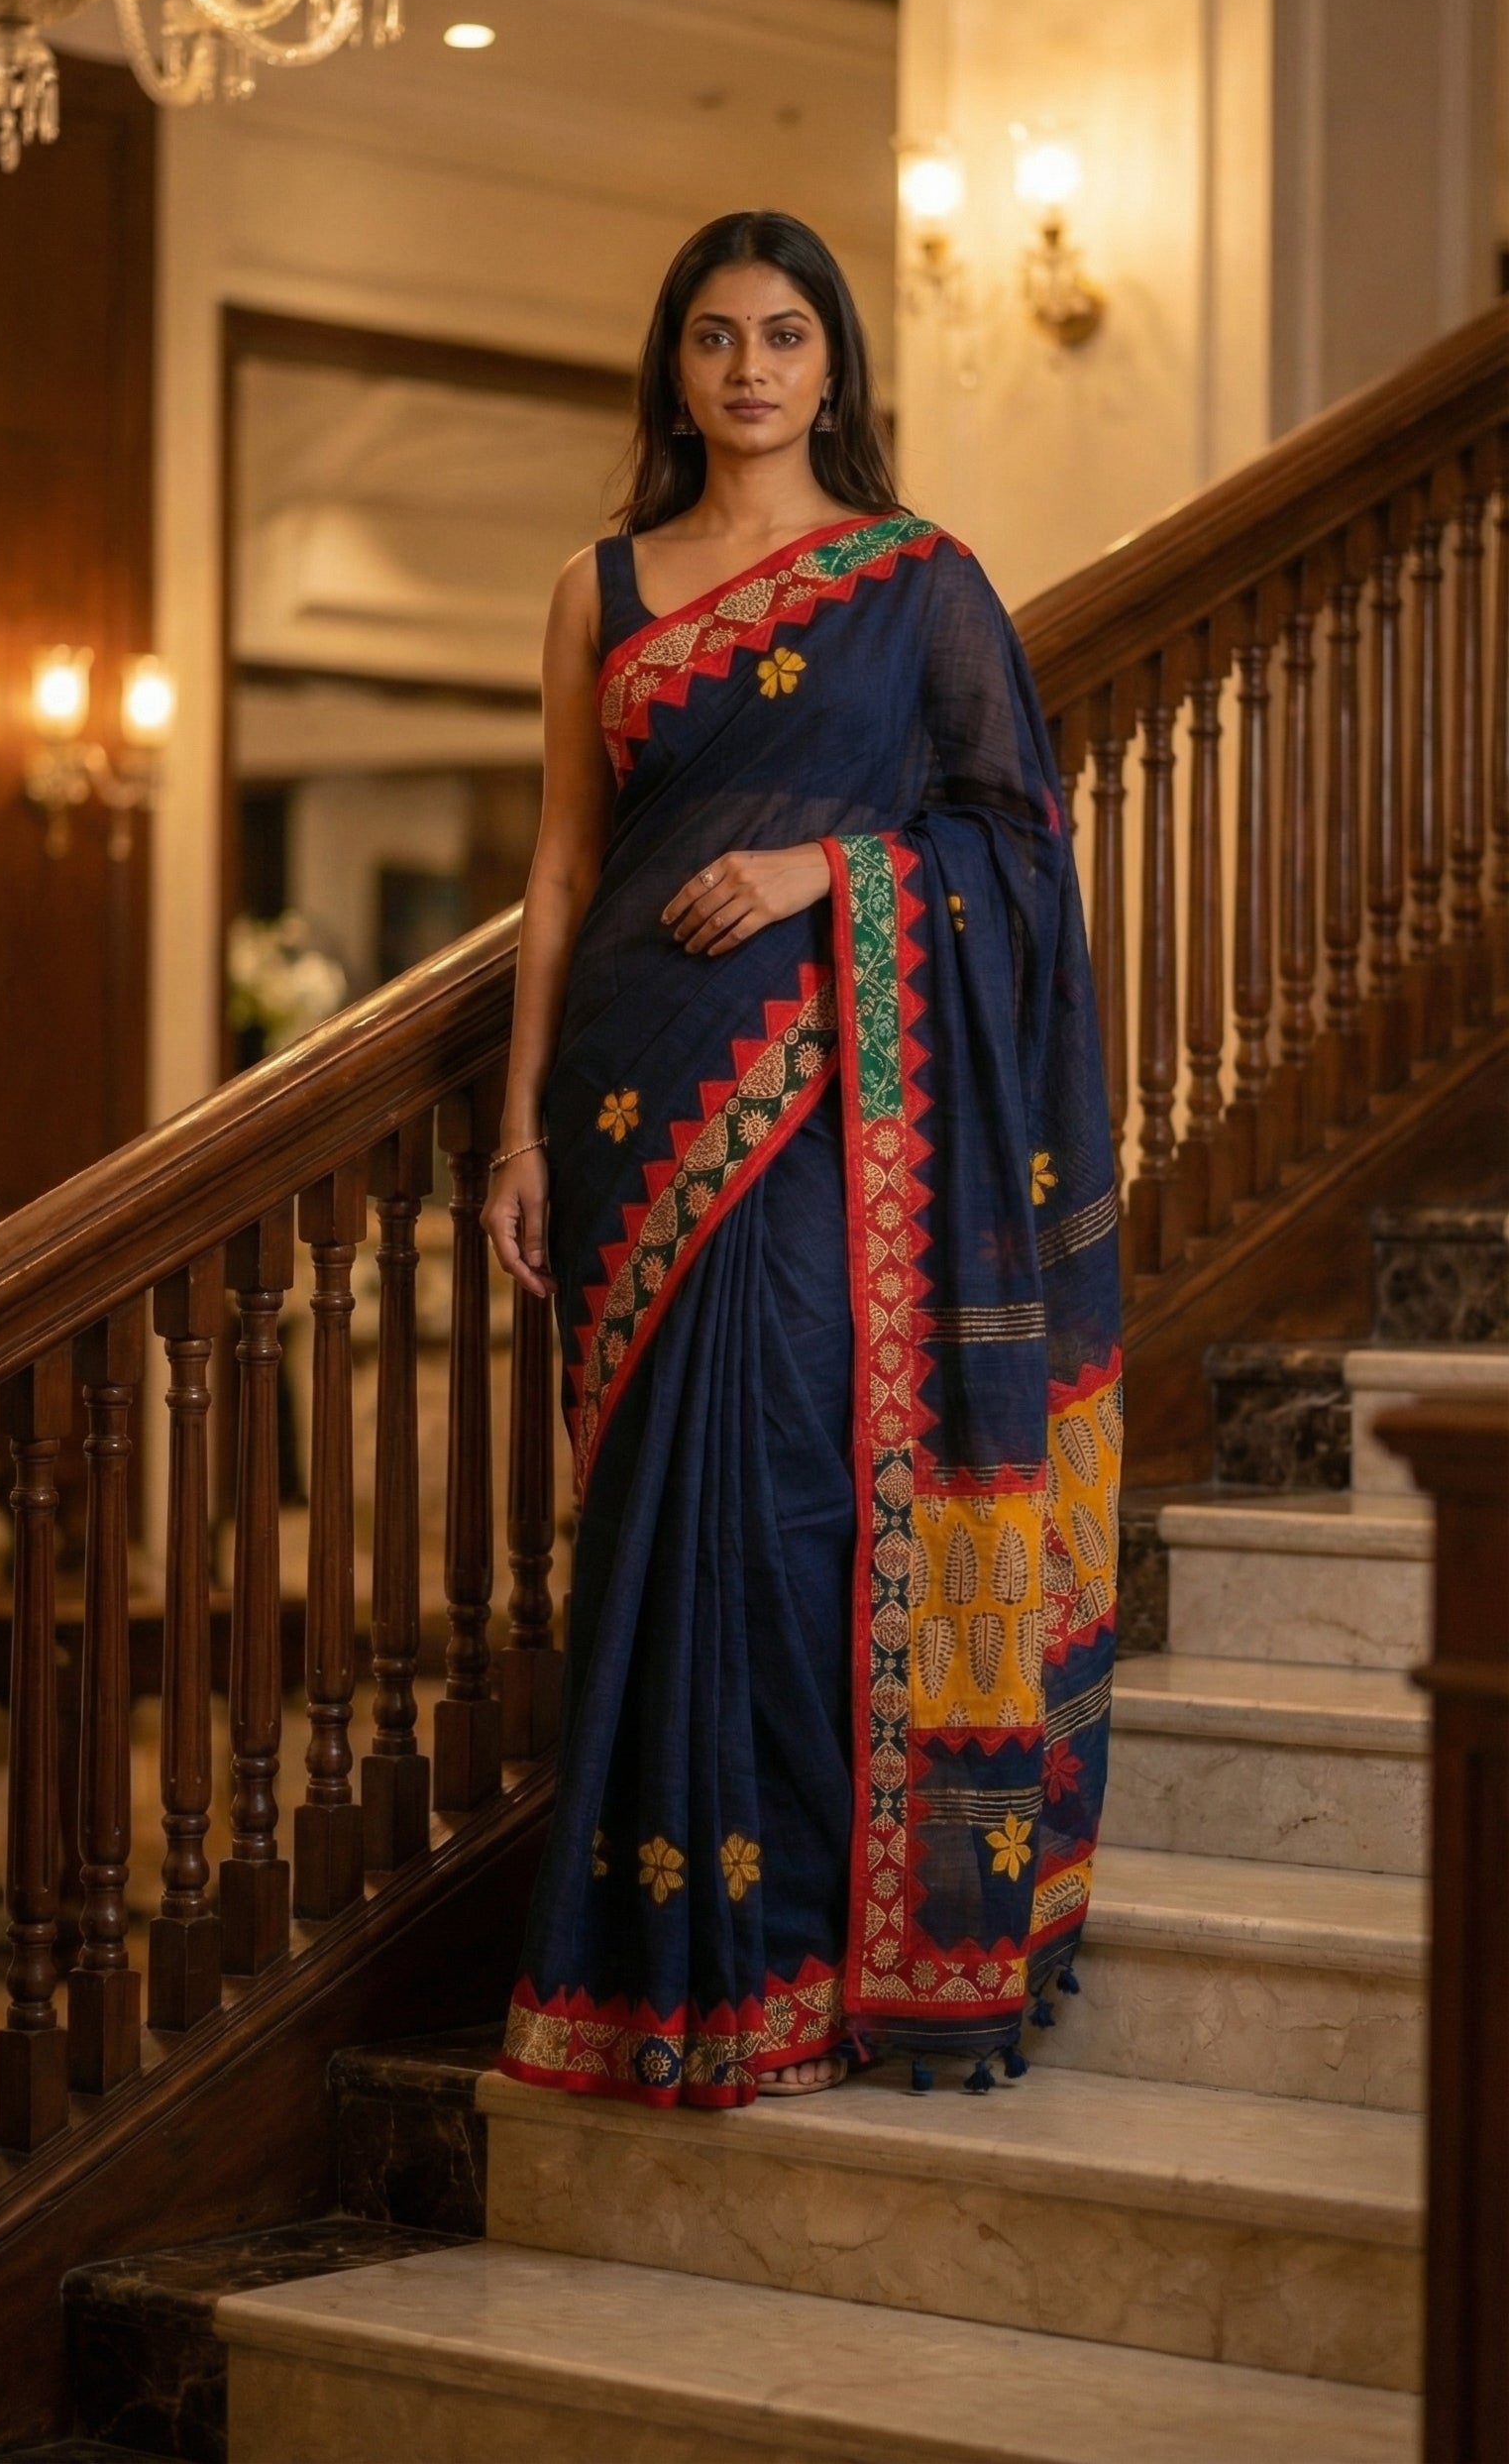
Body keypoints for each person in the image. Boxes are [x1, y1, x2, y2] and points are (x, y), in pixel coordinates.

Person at [486, 210, 1121, 2107]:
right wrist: (518, 1131)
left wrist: (821, 878)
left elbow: (1013, 851)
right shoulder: (601, 586)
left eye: (784, 335)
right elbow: (559, 869)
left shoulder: (919, 584)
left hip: (830, 1109)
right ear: (672, 368)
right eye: (713, 338)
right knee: (645, 1535)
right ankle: (646, 1979)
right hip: (627, 1102)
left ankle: (802, 1961)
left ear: (835, 362)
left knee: (786, 1493)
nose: (749, 370)